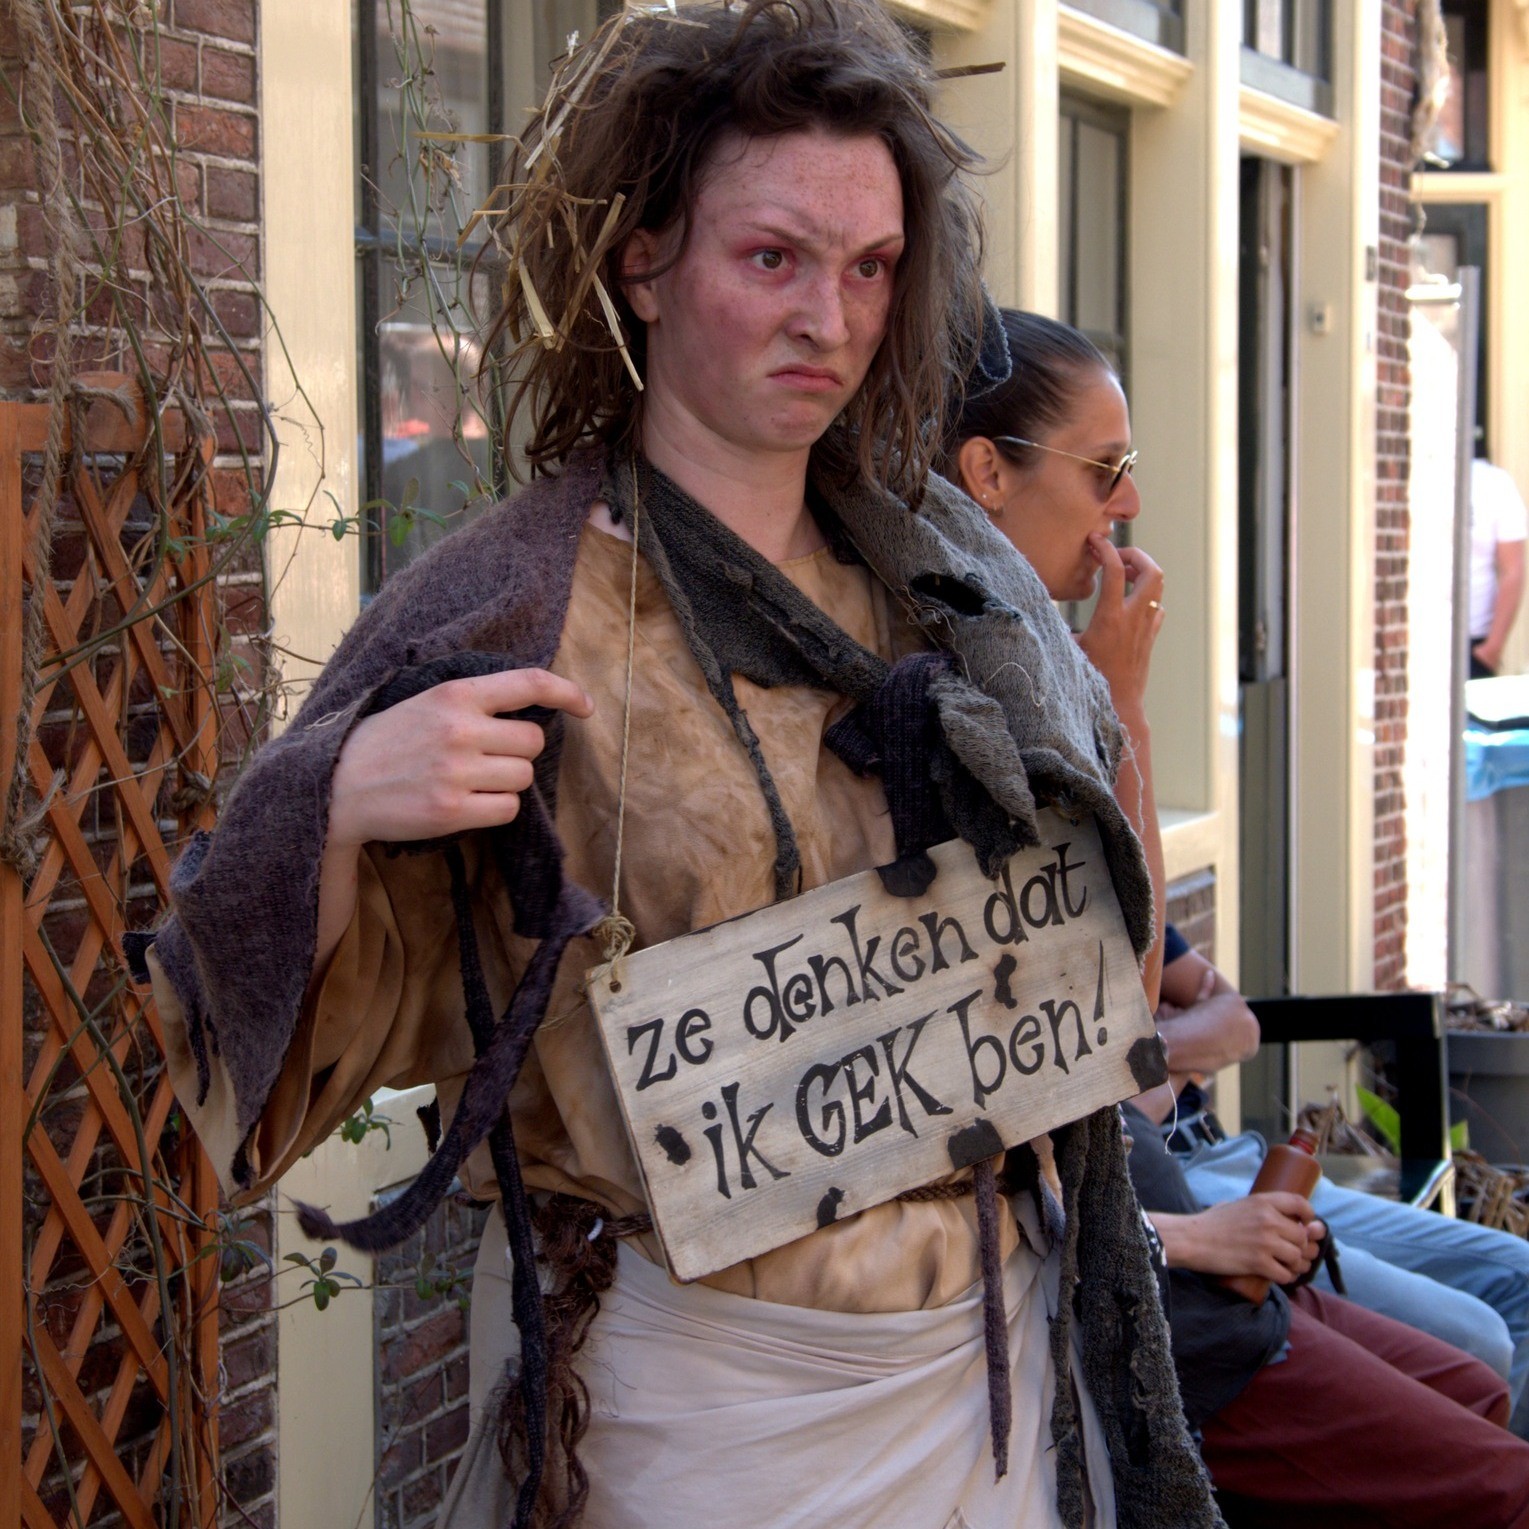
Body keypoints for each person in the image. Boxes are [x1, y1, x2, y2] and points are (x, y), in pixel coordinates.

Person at [133, 8, 1220, 1528]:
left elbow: (1093, 974)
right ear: (643, 262)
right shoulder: (507, 613)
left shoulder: (960, 594)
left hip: (996, 1397)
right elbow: (243, 1036)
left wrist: (1111, 721)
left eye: (869, 268)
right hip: (701, 1426)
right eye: (771, 257)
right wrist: (334, 805)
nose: (828, 320)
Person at [1153, 926, 1529, 1437]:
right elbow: (1108, 1097)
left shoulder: (1118, 879)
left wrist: (1150, 1053)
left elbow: (1240, 1024)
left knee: (1519, 1276)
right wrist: (1179, 1050)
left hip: (1231, 1153)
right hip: (1171, 1188)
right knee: (1478, 1340)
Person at [1121, 1095, 1529, 1528]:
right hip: (1189, 1336)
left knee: (1477, 1391)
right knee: (1512, 1490)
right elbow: (1045, 1211)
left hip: (1221, 1267)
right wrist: (1195, 1236)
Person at [1469, 449, 1527, 679]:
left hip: (1474, 640)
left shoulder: (1495, 484)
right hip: (1415, 638)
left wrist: (1492, 648)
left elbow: (1513, 569)